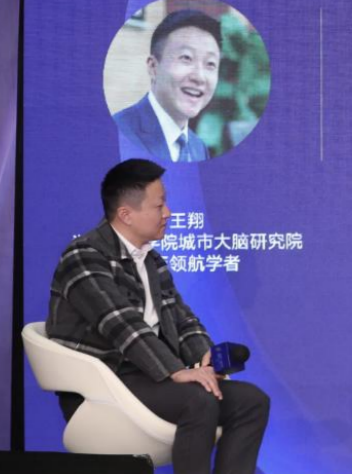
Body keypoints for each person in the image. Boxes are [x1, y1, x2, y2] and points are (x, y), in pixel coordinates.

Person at [47, 159, 269, 474]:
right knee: (198, 401)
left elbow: (182, 319)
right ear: (126, 214)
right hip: (108, 382)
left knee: (252, 401)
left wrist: (204, 359)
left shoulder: (152, 261)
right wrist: (174, 371)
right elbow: (123, 324)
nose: (168, 213)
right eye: (159, 205)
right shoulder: (83, 256)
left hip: (153, 378)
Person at [114, 9, 220, 163]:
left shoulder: (198, 147)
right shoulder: (119, 133)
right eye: (186, 58)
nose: (199, 77)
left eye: (210, 64)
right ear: (153, 67)